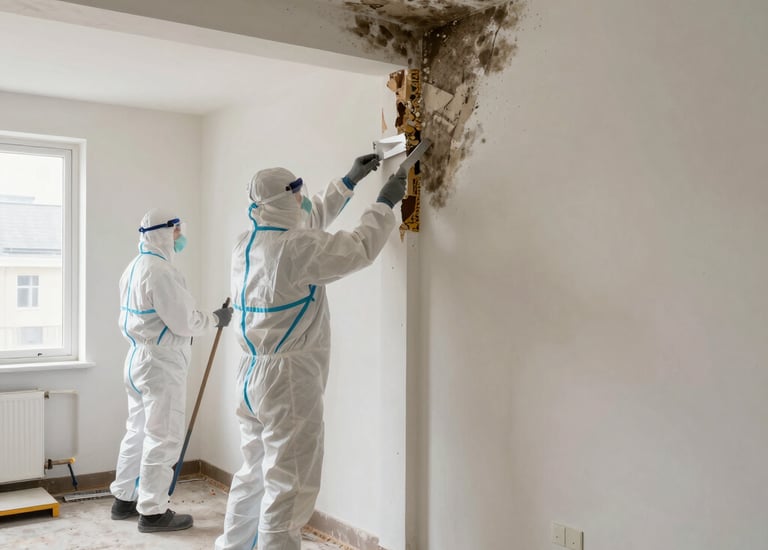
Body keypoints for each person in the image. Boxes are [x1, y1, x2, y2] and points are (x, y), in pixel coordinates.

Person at [214, 154, 408, 549]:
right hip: (286, 385)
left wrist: (348, 183)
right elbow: (356, 248)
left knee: (253, 474)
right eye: (298, 191)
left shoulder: (246, 243)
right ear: (286, 198)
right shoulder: (295, 248)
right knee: (290, 485)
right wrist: (384, 205)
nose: (304, 196)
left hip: (250, 377)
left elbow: (305, 222)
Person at [110, 208, 233, 533]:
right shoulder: (161, 271)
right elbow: (183, 321)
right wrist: (214, 319)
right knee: (162, 437)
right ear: (165, 233)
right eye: (177, 232)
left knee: (137, 430)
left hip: (136, 360)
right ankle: (152, 512)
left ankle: (123, 499)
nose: (181, 237)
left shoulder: (134, 267)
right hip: (160, 364)